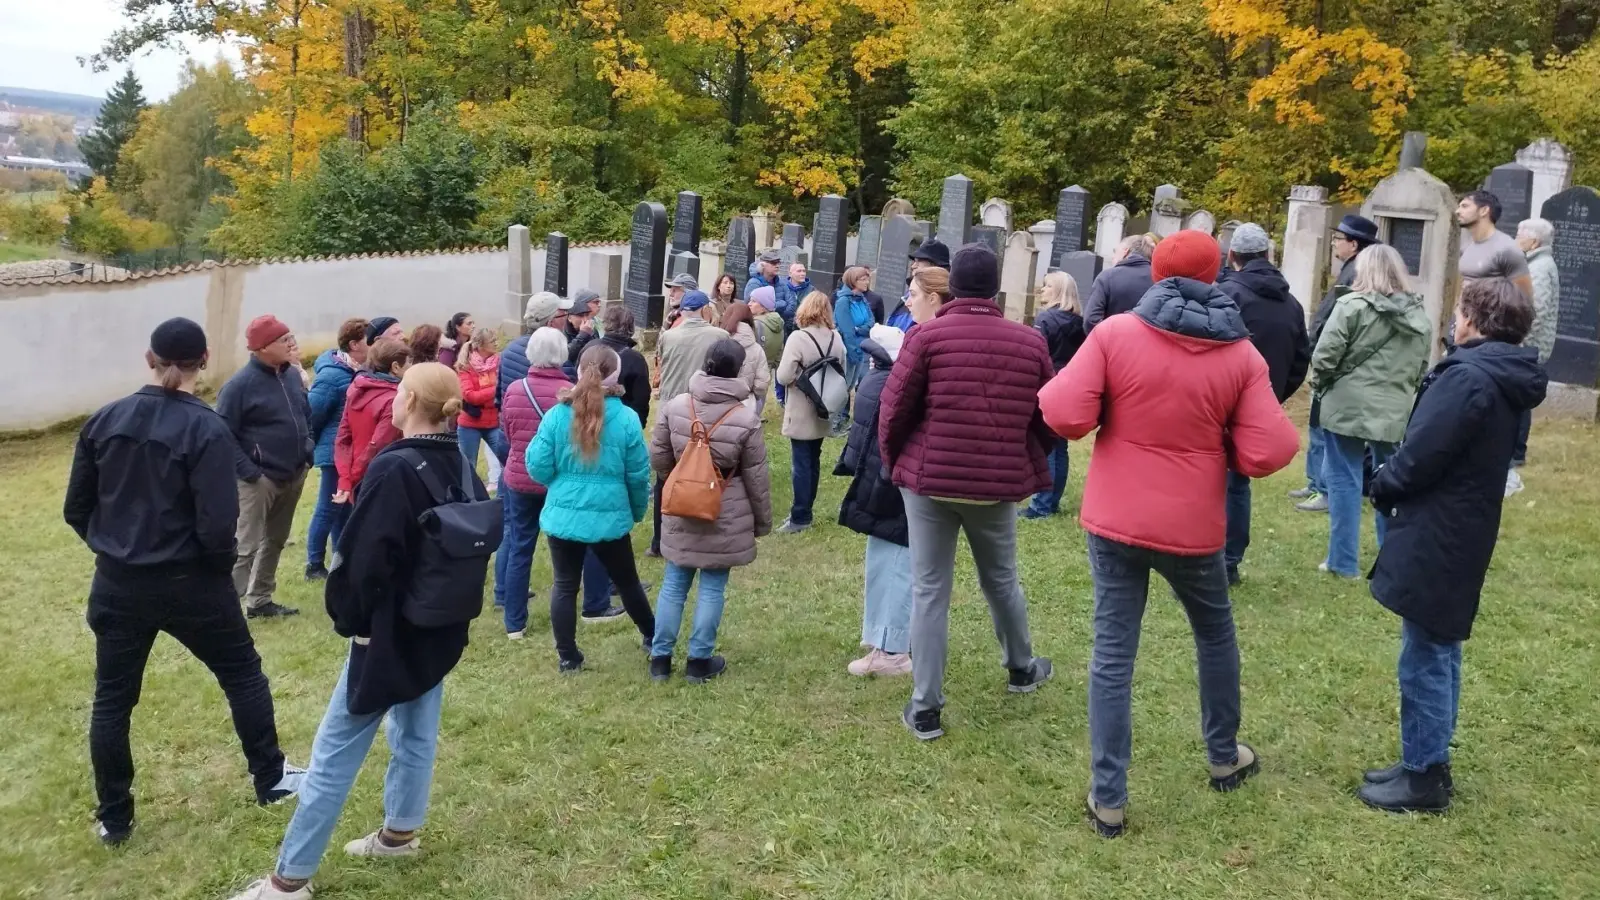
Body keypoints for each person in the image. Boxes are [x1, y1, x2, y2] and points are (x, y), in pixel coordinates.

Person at [1038, 229, 1300, 838]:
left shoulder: (1114, 335)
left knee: (1112, 653)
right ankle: (1223, 753)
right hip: (1194, 525)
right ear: (1217, 277)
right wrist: (1221, 442)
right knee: (1214, 635)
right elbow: (1273, 447)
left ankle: (1109, 797)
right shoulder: (1240, 355)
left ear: (1156, 272)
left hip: (1117, 519)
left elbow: (1064, 412)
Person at [225, 363, 486, 900]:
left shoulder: (396, 470)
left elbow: (364, 562)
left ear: (409, 399)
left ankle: (288, 880)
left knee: (332, 755)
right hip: (436, 629)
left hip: (388, 635)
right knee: (416, 732)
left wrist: (352, 623)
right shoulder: (460, 464)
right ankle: (399, 834)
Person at [64, 318, 305, 848]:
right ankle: (269, 778)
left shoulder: (134, 422)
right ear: (204, 359)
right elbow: (217, 526)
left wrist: (119, 552)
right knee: (240, 676)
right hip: (179, 580)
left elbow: (77, 510)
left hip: (130, 582)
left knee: (114, 699)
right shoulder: (129, 423)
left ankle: (116, 816)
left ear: (149, 357)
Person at [1357, 277, 1546, 814]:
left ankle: (1422, 779)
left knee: (1427, 654)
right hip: (1461, 524)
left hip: (1442, 527)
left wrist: (1383, 483)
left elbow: (1421, 455)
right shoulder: (1499, 374)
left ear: (1475, 321)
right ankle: (1425, 759)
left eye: (1461, 310)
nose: (1454, 319)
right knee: (1436, 647)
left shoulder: (1468, 379)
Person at [878, 243, 1056, 742]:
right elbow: (1047, 418)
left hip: (930, 482)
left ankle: (926, 706)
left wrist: (898, 463)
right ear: (995, 287)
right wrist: (1021, 457)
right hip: (993, 485)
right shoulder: (1029, 342)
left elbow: (894, 411)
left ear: (953, 285)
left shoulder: (927, 338)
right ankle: (1021, 667)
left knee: (929, 589)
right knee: (1001, 579)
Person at [526, 343, 657, 672]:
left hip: (564, 514)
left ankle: (568, 657)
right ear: (616, 373)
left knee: (565, 585)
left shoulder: (558, 414)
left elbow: (537, 465)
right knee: (627, 581)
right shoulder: (626, 419)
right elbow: (638, 475)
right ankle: (653, 636)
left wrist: (562, 483)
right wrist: (636, 511)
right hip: (609, 515)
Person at [648, 338, 773, 683]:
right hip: (725, 510)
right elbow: (757, 477)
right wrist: (761, 523)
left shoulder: (675, 406)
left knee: (674, 584)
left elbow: (658, 456)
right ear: (738, 370)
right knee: (712, 588)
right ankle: (698, 661)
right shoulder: (745, 418)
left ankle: (660, 659)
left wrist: (680, 478)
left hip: (681, 506)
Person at [1310, 244, 1432, 579]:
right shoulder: (1419, 315)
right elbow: (1421, 367)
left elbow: (1324, 356)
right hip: (1393, 409)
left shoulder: (1350, 306)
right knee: (1391, 483)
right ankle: (1390, 560)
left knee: (1343, 480)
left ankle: (1342, 561)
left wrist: (1321, 385)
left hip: (1346, 404)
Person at [1215, 223, 1311, 583]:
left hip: (1220, 401)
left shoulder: (1226, 295)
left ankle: (1213, 561)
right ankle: (1230, 559)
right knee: (1237, 483)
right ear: (1269, 257)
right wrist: (1270, 398)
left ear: (1232, 257)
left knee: (1210, 481)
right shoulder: (1292, 304)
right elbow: (1301, 360)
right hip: (1261, 403)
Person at [217, 314, 313, 619]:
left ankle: (260, 600)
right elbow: (223, 436)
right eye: (283, 340)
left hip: (294, 472)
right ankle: (226, 612)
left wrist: (307, 450)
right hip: (259, 480)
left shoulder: (292, 375)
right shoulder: (238, 387)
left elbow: (305, 415)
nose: (291, 344)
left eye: (290, 337)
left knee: (275, 539)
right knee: (245, 546)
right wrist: (251, 473)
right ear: (261, 348)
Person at [837, 324, 913, 677]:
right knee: (893, 562)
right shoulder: (889, 383)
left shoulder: (876, 381)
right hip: (888, 480)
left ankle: (892, 648)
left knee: (895, 564)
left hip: (884, 480)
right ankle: (888, 640)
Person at [495, 328, 579, 636]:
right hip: (559, 480)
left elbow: (507, 434)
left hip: (521, 478)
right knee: (566, 550)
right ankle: (566, 616)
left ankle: (514, 623)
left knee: (520, 546)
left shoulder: (515, 390)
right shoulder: (571, 392)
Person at [1296, 214, 1380, 511]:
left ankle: (1325, 490)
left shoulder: (1358, 273)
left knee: (1325, 425)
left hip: (1337, 364)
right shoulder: (1352, 267)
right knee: (1318, 424)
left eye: (1339, 238)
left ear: (1354, 244)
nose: (1334, 242)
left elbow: (1341, 320)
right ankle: (1315, 481)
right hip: (1327, 356)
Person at [774, 291, 846, 534]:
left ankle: (801, 516)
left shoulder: (798, 338)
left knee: (801, 464)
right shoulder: (836, 337)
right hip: (825, 406)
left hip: (803, 407)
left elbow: (783, 375)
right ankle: (806, 509)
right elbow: (842, 370)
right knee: (812, 461)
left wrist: (800, 380)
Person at [304, 318, 368, 580]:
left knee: (345, 508)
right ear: (354, 344)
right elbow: (312, 416)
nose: (372, 345)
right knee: (328, 507)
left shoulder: (356, 371)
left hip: (351, 452)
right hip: (333, 453)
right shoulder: (332, 375)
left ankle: (340, 558)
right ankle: (314, 564)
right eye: (367, 340)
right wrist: (311, 450)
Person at [1022, 271, 1086, 520]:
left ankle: (1041, 505)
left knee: (1045, 446)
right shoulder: (1079, 322)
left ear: (1058, 291)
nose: (1042, 290)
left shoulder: (1046, 319)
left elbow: (1035, 352)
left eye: (1048, 286)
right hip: (1069, 385)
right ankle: (1053, 500)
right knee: (1060, 447)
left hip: (1047, 385)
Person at [1511, 217, 1560, 485]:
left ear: (1534, 241)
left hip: (1530, 345)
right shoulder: (1536, 262)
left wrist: (1518, 339)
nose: (1516, 236)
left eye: (1521, 233)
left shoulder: (1540, 267)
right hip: (1529, 343)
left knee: (1521, 399)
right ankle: (1515, 449)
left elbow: (1536, 311)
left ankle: (1517, 452)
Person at [332, 338, 409, 503]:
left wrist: (346, 480)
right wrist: (353, 477)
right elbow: (378, 445)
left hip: (360, 480)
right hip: (383, 477)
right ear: (395, 367)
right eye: (408, 363)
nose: (411, 368)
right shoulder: (393, 399)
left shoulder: (356, 389)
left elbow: (343, 438)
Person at [455, 327, 508, 489]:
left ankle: (501, 494)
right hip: (470, 424)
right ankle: (469, 499)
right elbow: (470, 396)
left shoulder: (501, 361)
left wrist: (485, 394)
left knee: (506, 460)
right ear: (480, 345)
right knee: (468, 466)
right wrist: (496, 389)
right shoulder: (465, 365)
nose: (497, 343)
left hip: (494, 423)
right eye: (492, 341)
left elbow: (505, 390)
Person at [499, 291, 570, 410]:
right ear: (550, 322)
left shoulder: (508, 351)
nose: (566, 318)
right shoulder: (559, 356)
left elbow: (499, 397)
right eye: (563, 315)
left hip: (513, 423)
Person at [657, 290, 728, 404]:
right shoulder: (721, 336)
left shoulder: (667, 336)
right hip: (701, 404)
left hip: (669, 402)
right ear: (705, 310)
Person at [831, 266, 876, 435]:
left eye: (867, 278)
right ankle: (833, 422)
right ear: (852, 281)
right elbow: (847, 330)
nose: (867, 282)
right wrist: (854, 351)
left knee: (851, 386)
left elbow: (871, 322)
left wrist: (861, 328)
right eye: (863, 279)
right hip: (850, 350)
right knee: (843, 387)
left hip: (863, 347)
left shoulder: (861, 299)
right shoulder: (844, 301)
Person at [1083, 234, 1155, 331]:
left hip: (1110, 342)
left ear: (1125, 251)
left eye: (1115, 251)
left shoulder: (1107, 277)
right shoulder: (1158, 279)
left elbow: (1090, 320)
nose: (1113, 257)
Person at [599, 304, 652, 427]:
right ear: (630, 327)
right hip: (622, 424)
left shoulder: (589, 348)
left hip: (585, 419)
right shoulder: (635, 359)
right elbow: (641, 399)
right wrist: (638, 426)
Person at [885, 239, 950, 332]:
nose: (913, 266)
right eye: (914, 261)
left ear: (934, 266)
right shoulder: (910, 293)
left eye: (918, 262)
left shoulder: (943, 302)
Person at [721, 300, 772, 413]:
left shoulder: (718, 343)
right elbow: (762, 384)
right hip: (747, 404)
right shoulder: (757, 349)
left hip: (719, 404)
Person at [749, 285, 786, 386]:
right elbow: (779, 354)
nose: (749, 304)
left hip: (752, 373)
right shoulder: (779, 324)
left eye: (753, 301)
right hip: (766, 373)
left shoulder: (755, 325)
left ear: (763, 306)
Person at [773, 261, 813, 341]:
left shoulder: (811, 290)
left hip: (802, 329)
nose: (802, 274)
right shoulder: (781, 287)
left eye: (804, 271)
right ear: (790, 274)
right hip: (783, 326)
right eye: (799, 271)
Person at [565, 288, 603, 364]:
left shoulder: (591, 328)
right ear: (569, 318)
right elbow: (565, 357)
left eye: (587, 315)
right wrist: (583, 335)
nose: (585, 319)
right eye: (581, 316)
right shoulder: (562, 333)